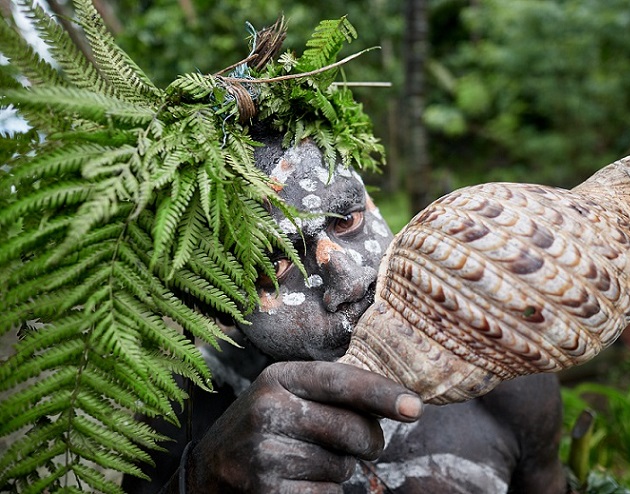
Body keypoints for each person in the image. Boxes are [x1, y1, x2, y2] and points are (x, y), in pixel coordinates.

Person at [122, 134, 566, 493]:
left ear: (372, 205)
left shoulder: (499, 371)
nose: (351, 282)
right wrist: (200, 482)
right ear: (208, 299)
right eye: (275, 265)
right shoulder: (182, 408)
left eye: (346, 221)